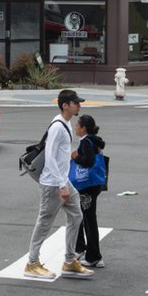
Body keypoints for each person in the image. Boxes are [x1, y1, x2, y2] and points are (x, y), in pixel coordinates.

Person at [24, 89, 94, 280]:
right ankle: (32, 263)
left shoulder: (67, 123)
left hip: (63, 181)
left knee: (76, 215)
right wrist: (62, 185)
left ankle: (70, 260)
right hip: (53, 184)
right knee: (44, 223)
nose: (79, 105)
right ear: (65, 105)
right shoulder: (57, 126)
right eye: (75, 103)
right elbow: (50, 157)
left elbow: (60, 154)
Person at [72, 114, 108, 268]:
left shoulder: (86, 141)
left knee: (88, 220)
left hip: (87, 187)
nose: (75, 128)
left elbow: (88, 161)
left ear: (84, 128)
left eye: (77, 125)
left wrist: (75, 157)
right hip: (94, 185)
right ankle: (80, 248)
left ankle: (94, 256)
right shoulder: (93, 140)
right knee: (82, 216)